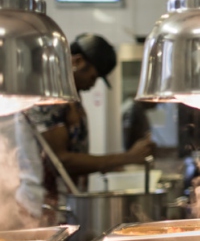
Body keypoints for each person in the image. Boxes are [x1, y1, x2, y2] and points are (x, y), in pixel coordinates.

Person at [25, 33, 155, 197]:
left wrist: (106, 164)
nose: (93, 85)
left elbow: (75, 154)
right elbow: (61, 161)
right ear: (77, 61)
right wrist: (126, 157)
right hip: (45, 203)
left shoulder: (72, 100)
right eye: (93, 77)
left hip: (68, 199)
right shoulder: (51, 99)